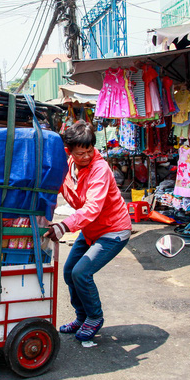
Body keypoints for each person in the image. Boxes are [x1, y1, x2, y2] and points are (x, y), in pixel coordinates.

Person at [43, 120, 132, 342]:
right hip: (90, 230)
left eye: (89, 151)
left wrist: (64, 226)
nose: (86, 157)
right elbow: (53, 187)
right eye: (80, 153)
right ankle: (81, 317)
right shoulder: (68, 166)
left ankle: (94, 316)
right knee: (68, 272)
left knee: (81, 272)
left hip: (113, 230)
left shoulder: (100, 169)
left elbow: (92, 207)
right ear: (69, 152)